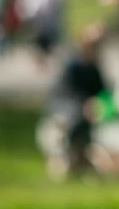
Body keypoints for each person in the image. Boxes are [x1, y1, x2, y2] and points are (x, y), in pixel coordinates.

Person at [36, 24, 110, 179]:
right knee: (63, 156)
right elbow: (66, 94)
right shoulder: (73, 65)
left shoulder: (93, 67)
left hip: (82, 118)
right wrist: (86, 106)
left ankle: (82, 160)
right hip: (64, 116)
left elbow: (102, 92)